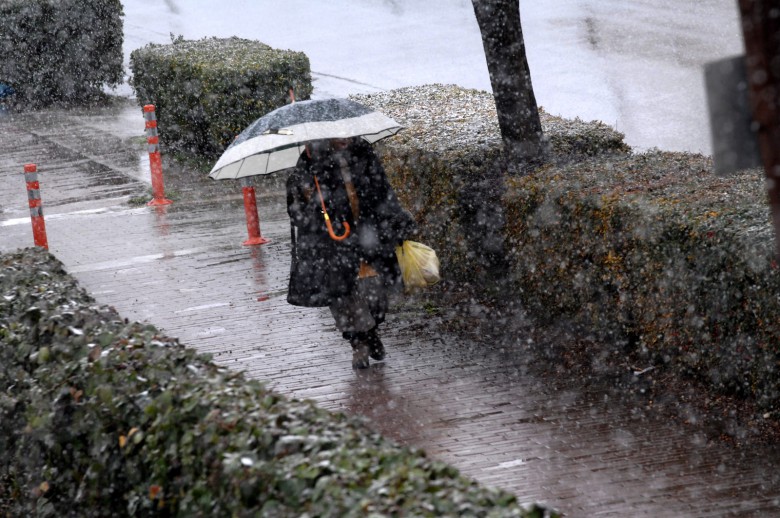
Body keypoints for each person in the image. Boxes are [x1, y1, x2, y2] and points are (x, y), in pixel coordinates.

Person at [286, 137, 416, 369]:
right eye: (338, 135)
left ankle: (371, 331)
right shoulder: (310, 159)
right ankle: (358, 345)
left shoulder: (363, 151)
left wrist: (395, 219)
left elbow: (382, 189)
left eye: (347, 134)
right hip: (333, 242)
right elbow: (297, 208)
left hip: (368, 234)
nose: (344, 138)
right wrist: (312, 204)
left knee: (376, 295)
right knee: (342, 296)